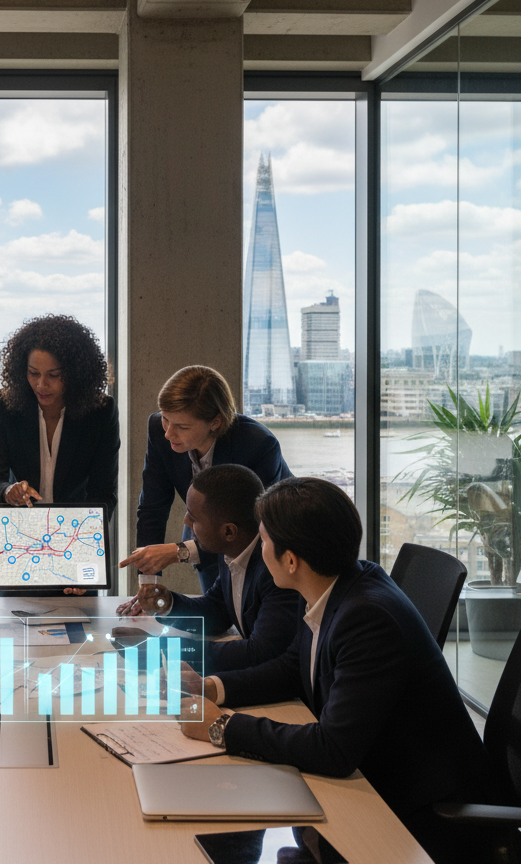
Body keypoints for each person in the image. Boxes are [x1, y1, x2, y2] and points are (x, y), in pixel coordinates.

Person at [178, 477, 491, 864]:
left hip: (416, 812)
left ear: (291, 560)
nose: (259, 552)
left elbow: (334, 749)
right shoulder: (341, 585)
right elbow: (293, 667)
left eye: (264, 542)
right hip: (374, 777)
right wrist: (212, 688)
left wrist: (222, 726)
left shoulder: (367, 618)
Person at [0, 313, 119, 595]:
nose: (41, 385)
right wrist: (8, 492)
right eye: (33, 373)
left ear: (76, 373)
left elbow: (103, 494)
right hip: (19, 543)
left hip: (76, 543)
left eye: (54, 375)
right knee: (17, 633)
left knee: (79, 634)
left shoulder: (100, 412)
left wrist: (85, 554)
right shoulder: (4, 407)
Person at [123, 364, 291, 597]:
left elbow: (250, 530)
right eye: (165, 419)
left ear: (215, 422)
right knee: (217, 610)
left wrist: (179, 551)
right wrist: (147, 585)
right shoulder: (158, 430)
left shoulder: (258, 445)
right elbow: (152, 507)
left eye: (182, 426)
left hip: (268, 543)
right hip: (203, 533)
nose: (168, 433)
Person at [130, 464, 301, 671]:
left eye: (194, 517)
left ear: (229, 532)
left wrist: (166, 650)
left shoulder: (275, 570)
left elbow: (260, 653)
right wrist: (167, 604)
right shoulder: (230, 550)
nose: (186, 522)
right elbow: (217, 612)